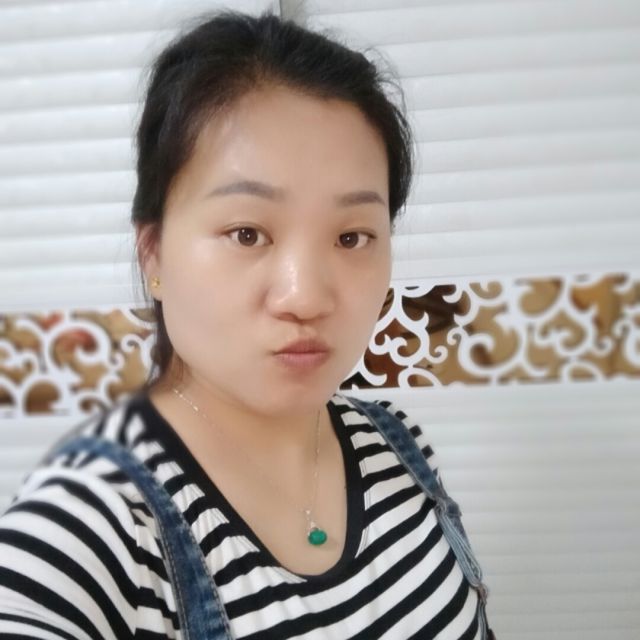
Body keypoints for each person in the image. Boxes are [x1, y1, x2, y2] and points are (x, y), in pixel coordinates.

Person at [0, 10, 492, 639]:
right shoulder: (90, 529)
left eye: (351, 236)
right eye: (247, 233)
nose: (305, 297)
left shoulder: (398, 444)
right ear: (154, 253)